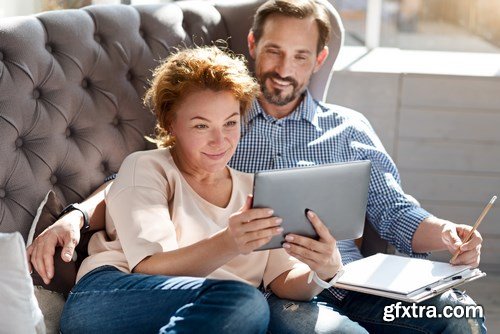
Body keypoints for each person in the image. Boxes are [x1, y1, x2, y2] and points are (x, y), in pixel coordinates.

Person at [28, 1, 486, 333]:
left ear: (319, 59)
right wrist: (78, 214)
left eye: (301, 55)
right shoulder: (217, 124)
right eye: (274, 52)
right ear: (253, 44)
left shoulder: (334, 137)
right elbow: (135, 185)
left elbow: (393, 213)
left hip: (344, 281)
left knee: (458, 315)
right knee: (255, 308)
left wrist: (444, 234)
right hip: (243, 295)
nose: (222, 138)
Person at [51, 45, 349, 333]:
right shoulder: (147, 168)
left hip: (215, 310)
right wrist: (230, 242)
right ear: (171, 124)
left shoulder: (256, 190)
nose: (220, 141)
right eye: (201, 126)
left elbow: (284, 282)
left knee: (254, 308)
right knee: (245, 302)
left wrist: (324, 270)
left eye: (230, 123)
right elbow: (148, 267)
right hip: (111, 294)